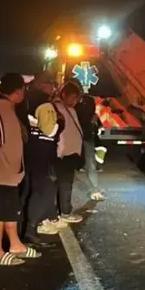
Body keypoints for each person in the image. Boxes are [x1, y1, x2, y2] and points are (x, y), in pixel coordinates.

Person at [0, 73, 42, 265]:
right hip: (1, 170)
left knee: (10, 210)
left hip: (9, 171)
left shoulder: (6, 107)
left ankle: (15, 245)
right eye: (23, 89)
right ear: (18, 90)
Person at [21, 74, 66, 243]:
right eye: (52, 85)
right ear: (44, 85)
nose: (54, 88)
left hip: (30, 151)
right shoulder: (45, 104)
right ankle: (32, 228)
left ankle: (28, 226)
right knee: (42, 191)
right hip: (43, 153)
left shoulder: (26, 102)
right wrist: (60, 122)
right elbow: (50, 131)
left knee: (31, 190)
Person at [52, 81, 85, 224]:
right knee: (64, 184)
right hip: (62, 154)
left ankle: (61, 210)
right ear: (63, 95)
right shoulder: (56, 108)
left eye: (76, 98)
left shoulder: (71, 109)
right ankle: (64, 212)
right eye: (72, 97)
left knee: (65, 183)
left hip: (71, 154)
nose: (75, 101)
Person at [75, 92, 105, 201]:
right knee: (89, 162)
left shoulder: (88, 100)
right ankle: (95, 189)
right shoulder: (88, 100)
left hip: (84, 135)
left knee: (90, 162)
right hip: (78, 135)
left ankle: (95, 189)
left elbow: (94, 114)